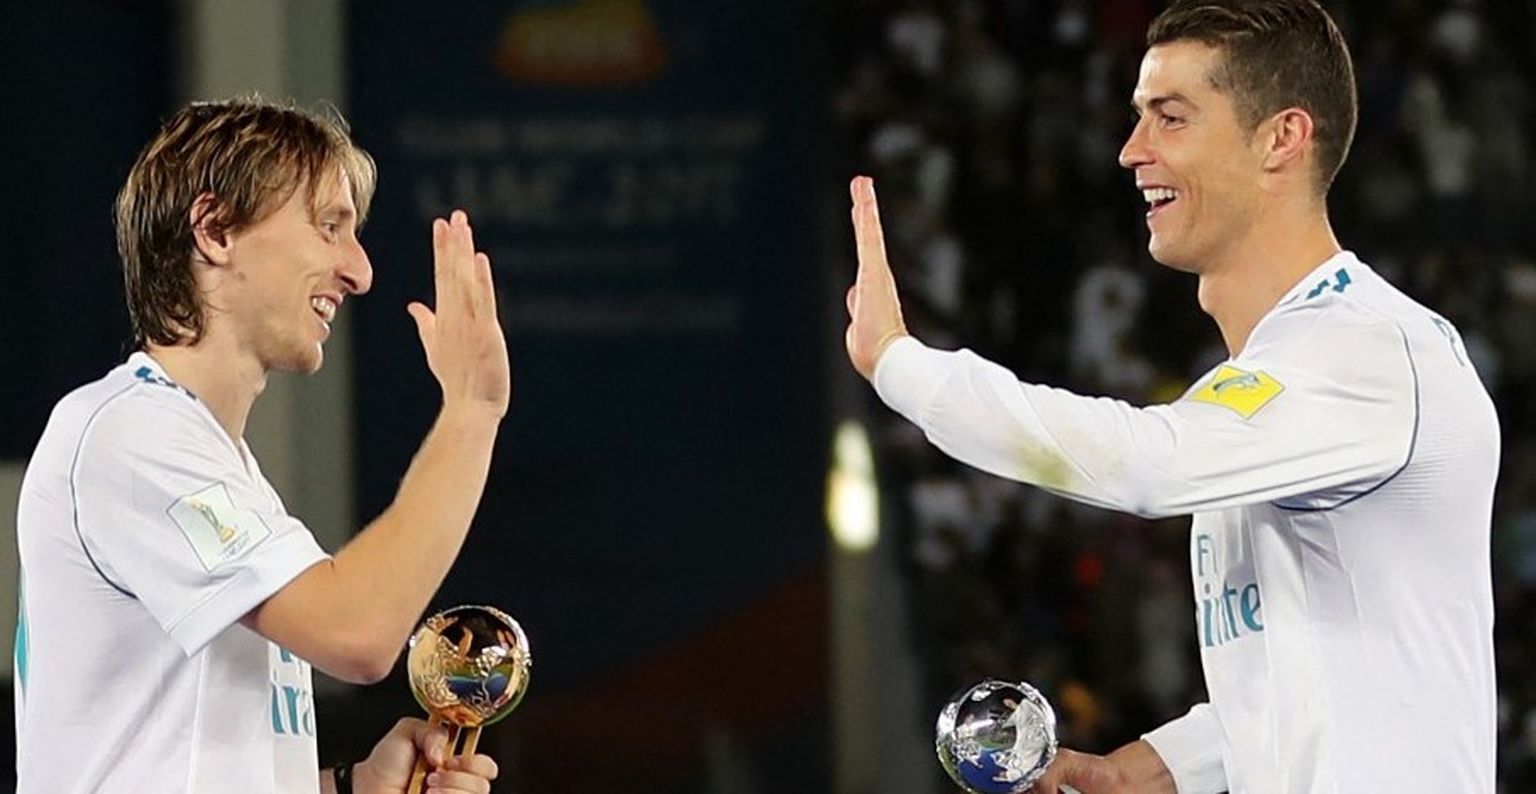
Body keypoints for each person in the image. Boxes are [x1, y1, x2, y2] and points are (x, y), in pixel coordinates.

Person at [844, 1, 1498, 792]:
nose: (1132, 150)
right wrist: (1156, 769)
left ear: (1282, 139)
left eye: (1172, 117)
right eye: (1138, 116)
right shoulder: (1269, 381)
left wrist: (899, 365)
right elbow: (1317, 664)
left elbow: (1146, 467)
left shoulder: (1370, 352)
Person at [14, 98, 508, 793]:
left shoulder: (219, 468)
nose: (359, 271)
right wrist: (472, 411)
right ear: (215, 230)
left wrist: (354, 786)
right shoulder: (130, 435)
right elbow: (360, 632)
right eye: (329, 226)